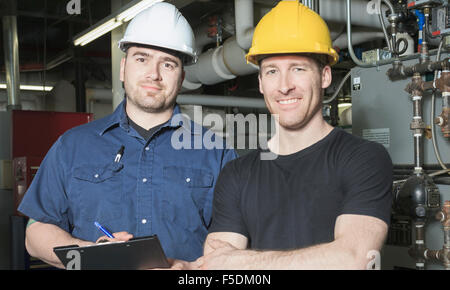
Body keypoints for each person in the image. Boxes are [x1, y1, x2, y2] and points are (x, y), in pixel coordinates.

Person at [18, 2, 237, 269]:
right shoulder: (72, 146)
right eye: (142, 58)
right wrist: (93, 254)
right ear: (123, 68)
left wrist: (190, 270)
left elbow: (232, 245)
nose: (153, 74)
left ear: (181, 78)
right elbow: (36, 231)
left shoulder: (216, 153)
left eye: (168, 64)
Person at [188, 1, 393, 270]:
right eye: (272, 71)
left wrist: (243, 261)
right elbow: (219, 267)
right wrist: (187, 271)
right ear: (260, 83)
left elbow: (353, 260)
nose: (284, 86)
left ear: (325, 76)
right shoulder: (236, 174)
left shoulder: (364, 160)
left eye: (298, 68)